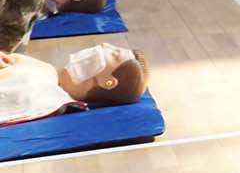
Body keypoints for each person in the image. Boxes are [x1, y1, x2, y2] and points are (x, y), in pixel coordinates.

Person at [0, 44, 150, 126]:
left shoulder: (39, 93)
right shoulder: (48, 73)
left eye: (113, 54)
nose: (104, 45)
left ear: (108, 82)